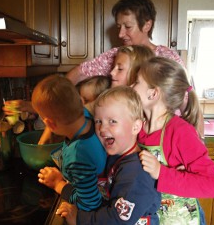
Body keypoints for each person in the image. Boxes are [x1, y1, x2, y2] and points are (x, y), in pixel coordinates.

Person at [132, 57, 214, 225]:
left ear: (153, 93)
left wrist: (161, 172)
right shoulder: (138, 126)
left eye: (136, 82)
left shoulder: (180, 132)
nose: (131, 87)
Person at [56, 86, 161, 225]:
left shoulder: (137, 175)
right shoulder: (115, 156)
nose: (102, 129)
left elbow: (116, 219)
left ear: (135, 127)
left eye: (112, 121)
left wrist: (79, 219)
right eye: (98, 121)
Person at [65, 0, 184, 85]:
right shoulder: (115, 55)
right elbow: (79, 73)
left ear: (147, 25)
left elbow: (187, 99)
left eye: (128, 27)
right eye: (118, 27)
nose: (120, 34)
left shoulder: (168, 57)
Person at [31, 74, 107, 211]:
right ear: (80, 100)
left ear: (49, 123)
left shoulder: (78, 158)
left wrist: (58, 184)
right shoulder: (85, 114)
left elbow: (90, 203)